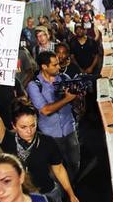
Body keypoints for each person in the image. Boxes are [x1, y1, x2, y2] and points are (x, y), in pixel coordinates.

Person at [0, 76, 80, 202]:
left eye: (32, 125)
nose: (29, 130)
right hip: (21, 199)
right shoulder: (8, 140)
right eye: (23, 127)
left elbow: (58, 169)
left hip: (48, 195)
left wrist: (70, 193)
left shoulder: (47, 142)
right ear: (14, 126)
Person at [27, 52, 81, 180]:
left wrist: (77, 96)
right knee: (56, 169)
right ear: (44, 67)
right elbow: (45, 110)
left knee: (75, 162)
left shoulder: (64, 78)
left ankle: (73, 186)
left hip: (69, 128)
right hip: (51, 134)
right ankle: (64, 195)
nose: (59, 67)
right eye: (55, 65)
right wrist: (67, 99)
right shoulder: (34, 86)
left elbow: (75, 102)